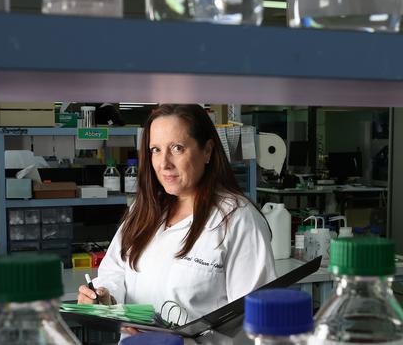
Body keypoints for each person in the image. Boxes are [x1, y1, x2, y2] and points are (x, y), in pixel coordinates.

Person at [78, 104, 277, 331]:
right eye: (156, 150)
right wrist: (105, 300)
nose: (164, 164)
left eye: (177, 148)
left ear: (207, 151)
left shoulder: (237, 219)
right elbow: (114, 271)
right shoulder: (143, 210)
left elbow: (257, 319)